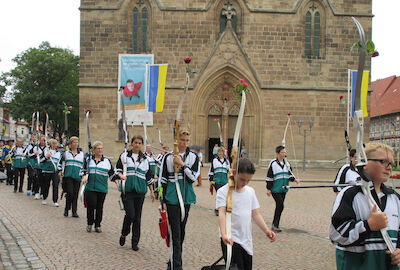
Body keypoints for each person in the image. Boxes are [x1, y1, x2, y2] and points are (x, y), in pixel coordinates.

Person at [330, 142, 400, 270]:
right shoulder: (350, 194)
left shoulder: (395, 198)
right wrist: (368, 225)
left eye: (391, 163)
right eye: (383, 161)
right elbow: (336, 234)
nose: (389, 167)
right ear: (365, 164)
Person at [216, 158, 276, 270]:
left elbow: (256, 214)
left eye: (248, 180)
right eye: (242, 179)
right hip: (231, 239)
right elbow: (222, 213)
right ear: (234, 173)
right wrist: (224, 234)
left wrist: (266, 230)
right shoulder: (223, 192)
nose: (245, 183)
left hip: (246, 241)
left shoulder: (250, 191)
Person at [160, 128, 200, 270]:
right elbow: (162, 180)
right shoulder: (167, 157)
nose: (184, 143)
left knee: (181, 232)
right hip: (172, 197)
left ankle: (172, 261)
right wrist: (162, 200)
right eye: (182, 140)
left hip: (186, 197)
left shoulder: (194, 158)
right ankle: (177, 266)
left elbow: (193, 178)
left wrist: (182, 165)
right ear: (177, 140)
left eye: (187, 141)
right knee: (176, 233)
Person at [116, 135, 155, 251]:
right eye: (135, 142)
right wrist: (120, 175)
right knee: (130, 215)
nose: (137, 145)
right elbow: (117, 169)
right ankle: (124, 233)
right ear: (131, 144)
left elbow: (149, 177)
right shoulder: (124, 156)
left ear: (141, 145)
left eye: (139, 143)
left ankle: (135, 242)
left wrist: (152, 192)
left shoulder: (145, 159)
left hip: (140, 191)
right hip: (127, 190)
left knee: (137, 218)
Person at [81, 141, 116, 233]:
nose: (100, 150)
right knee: (91, 205)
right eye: (98, 148)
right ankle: (89, 223)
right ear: (94, 150)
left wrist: (116, 180)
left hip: (102, 188)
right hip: (90, 187)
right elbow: (83, 170)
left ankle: (98, 224)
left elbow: (111, 173)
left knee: (99, 207)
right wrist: (84, 176)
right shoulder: (89, 160)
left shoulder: (106, 161)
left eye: (101, 148)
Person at [266, 145, 300, 233]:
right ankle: (275, 225)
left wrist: (294, 179)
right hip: (275, 189)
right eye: (282, 152)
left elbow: (290, 174)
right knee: (280, 205)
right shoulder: (273, 163)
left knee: (279, 206)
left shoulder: (287, 163)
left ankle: (275, 224)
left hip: (284, 188)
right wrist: (269, 189)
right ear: (278, 153)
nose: (284, 154)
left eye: (285, 152)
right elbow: (269, 176)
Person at [59, 136, 84, 217]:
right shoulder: (66, 153)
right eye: (74, 142)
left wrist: (83, 175)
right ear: (70, 144)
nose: (76, 144)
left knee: (75, 194)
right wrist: (61, 171)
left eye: (77, 142)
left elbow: (84, 166)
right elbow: (61, 163)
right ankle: (67, 208)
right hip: (68, 176)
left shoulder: (81, 154)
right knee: (70, 193)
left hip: (77, 176)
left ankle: (74, 211)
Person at [208, 146, 230, 216]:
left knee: (225, 195)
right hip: (216, 181)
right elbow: (211, 171)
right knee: (219, 194)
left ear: (224, 153)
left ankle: (223, 208)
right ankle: (217, 209)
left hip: (225, 181)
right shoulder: (214, 160)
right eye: (219, 152)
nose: (220, 153)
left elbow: (229, 171)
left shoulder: (227, 161)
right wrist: (211, 180)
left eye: (221, 152)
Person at [41, 139, 61, 206]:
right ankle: (44, 197)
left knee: (55, 185)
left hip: (54, 171)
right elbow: (41, 160)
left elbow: (58, 162)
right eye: (55, 144)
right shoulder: (45, 150)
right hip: (46, 170)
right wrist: (46, 157)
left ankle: (55, 200)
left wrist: (59, 171)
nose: (56, 145)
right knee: (46, 185)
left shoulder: (58, 153)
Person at [29, 135, 46, 200]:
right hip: (38, 165)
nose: (43, 141)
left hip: (44, 166)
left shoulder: (47, 148)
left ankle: (42, 193)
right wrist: (35, 154)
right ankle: (36, 192)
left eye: (44, 140)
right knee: (37, 179)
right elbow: (30, 155)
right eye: (42, 140)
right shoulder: (36, 148)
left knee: (44, 180)